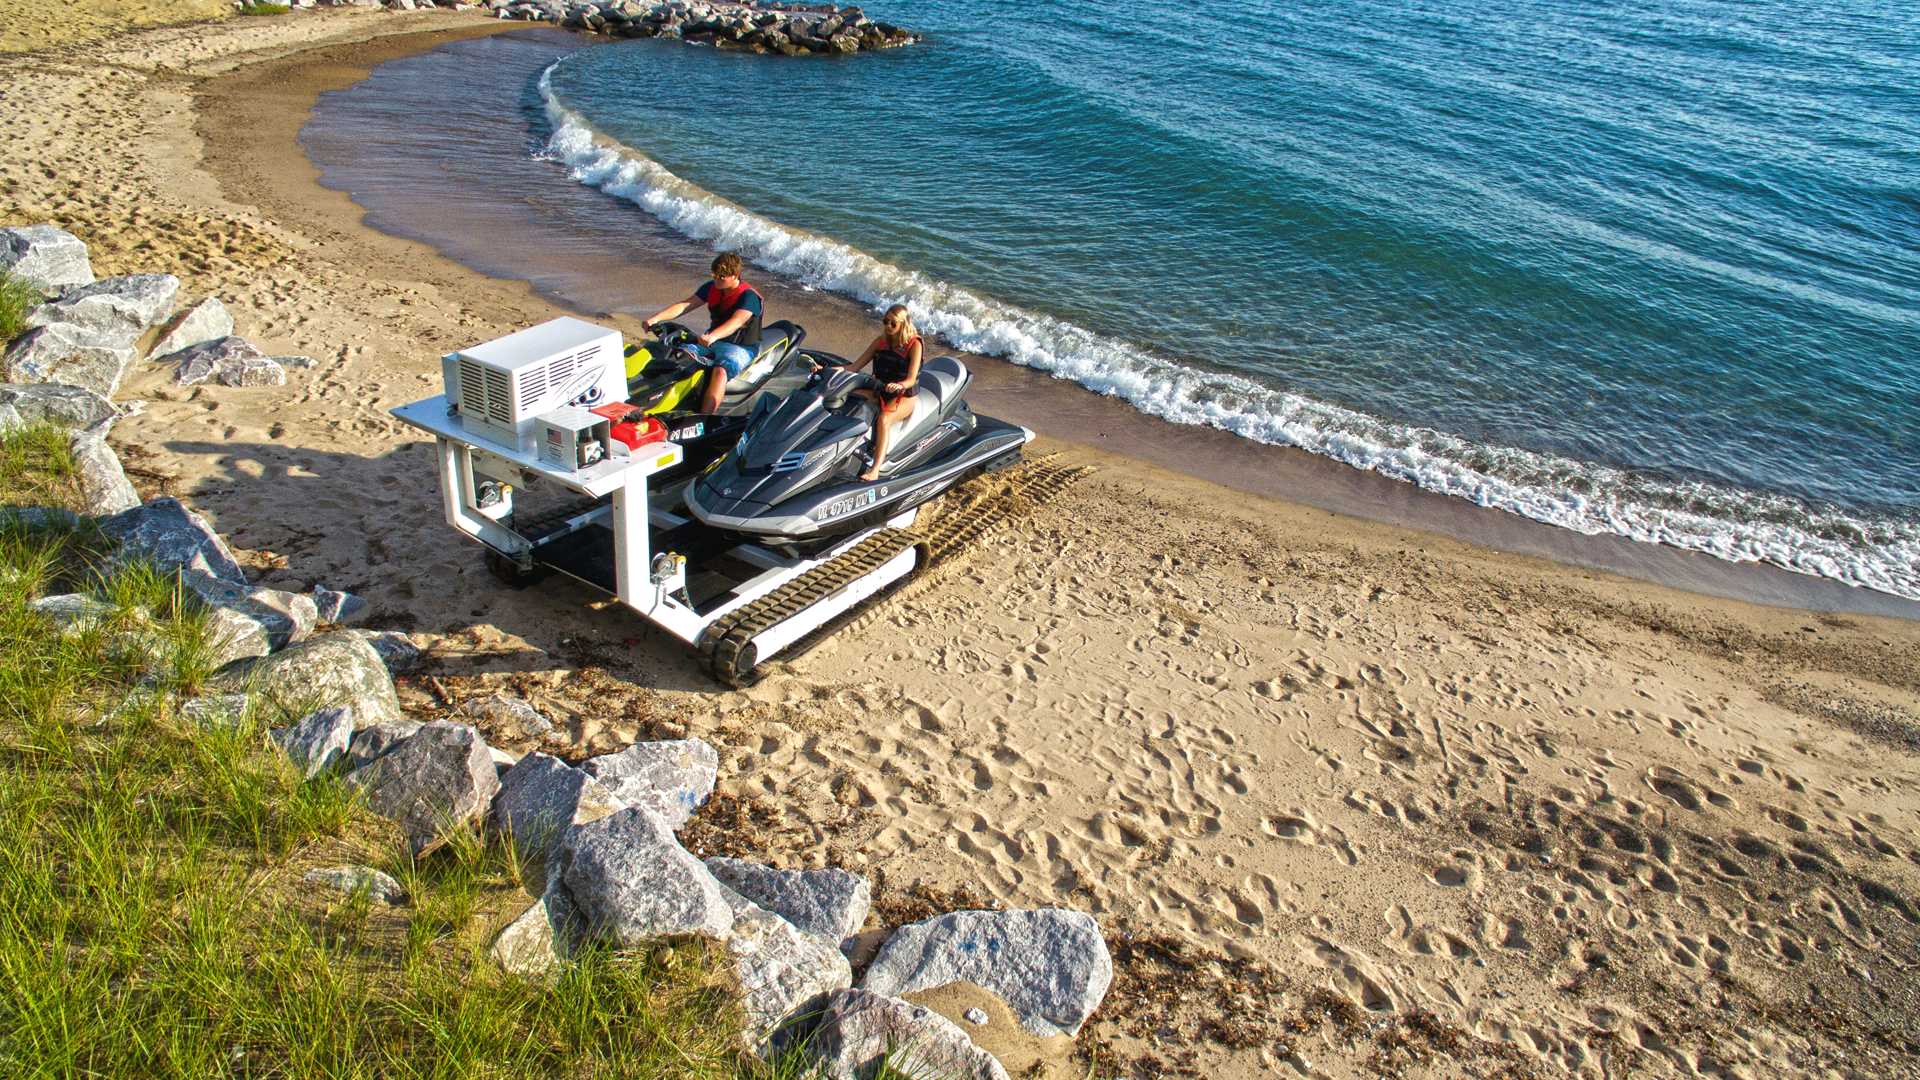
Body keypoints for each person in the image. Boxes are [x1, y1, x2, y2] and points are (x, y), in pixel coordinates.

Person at [642, 252, 764, 414]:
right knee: (679, 356)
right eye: (715, 275)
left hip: (741, 347)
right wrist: (654, 319)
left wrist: (713, 336)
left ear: (735, 276)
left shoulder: (749, 296)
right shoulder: (712, 288)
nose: (717, 280)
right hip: (712, 341)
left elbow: (737, 321)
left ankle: (705, 416)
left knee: (720, 371)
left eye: (721, 277)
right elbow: (685, 305)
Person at [844, 304, 923, 481]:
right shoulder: (881, 341)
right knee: (849, 397)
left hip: (904, 395)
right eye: (885, 321)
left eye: (893, 323)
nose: (888, 326)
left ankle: (875, 469)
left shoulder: (914, 344)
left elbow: (911, 379)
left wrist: (899, 385)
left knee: (884, 419)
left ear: (903, 324)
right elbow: (854, 367)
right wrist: (825, 370)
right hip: (880, 390)